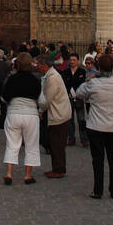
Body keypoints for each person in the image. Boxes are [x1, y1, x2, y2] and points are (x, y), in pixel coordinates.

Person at [74, 53, 113, 199]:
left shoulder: (93, 83)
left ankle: (98, 190)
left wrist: (89, 79)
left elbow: (78, 93)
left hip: (96, 126)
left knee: (98, 160)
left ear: (99, 68)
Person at [0, 51, 42, 185]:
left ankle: (9, 173)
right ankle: (28, 175)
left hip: (14, 112)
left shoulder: (12, 79)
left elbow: (4, 96)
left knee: (12, 143)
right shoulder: (35, 79)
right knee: (31, 144)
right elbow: (39, 97)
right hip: (30, 113)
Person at [36, 50, 72, 179]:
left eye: (38, 64)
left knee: (57, 144)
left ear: (44, 65)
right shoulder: (50, 75)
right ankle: (57, 167)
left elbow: (47, 99)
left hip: (59, 114)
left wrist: (40, 111)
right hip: (58, 113)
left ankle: (59, 169)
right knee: (55, 142)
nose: (36, 66)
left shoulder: (52, 78)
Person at [65, 52, 88, 147]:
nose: (72, 62)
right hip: (69, 97)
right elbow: (65, 83)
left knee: (81, 119)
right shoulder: (66, 72)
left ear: (78, 61)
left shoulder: (82, 71)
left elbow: (83, 83)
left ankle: (84, 139)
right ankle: (71, 138)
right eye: (71, 60)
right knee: (70, 120)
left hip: (79, 97)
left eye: (74, 60)